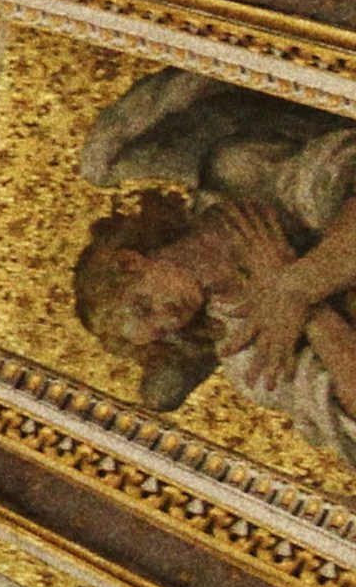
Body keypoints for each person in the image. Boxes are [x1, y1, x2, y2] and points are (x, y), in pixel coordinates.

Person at [72, 65, 356, 465]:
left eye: (144, 305)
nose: (168, 321)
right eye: (160, 334)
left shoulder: (237, 178)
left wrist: (297, 284)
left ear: (131, 261)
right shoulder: (245, 356)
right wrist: (309, 312)